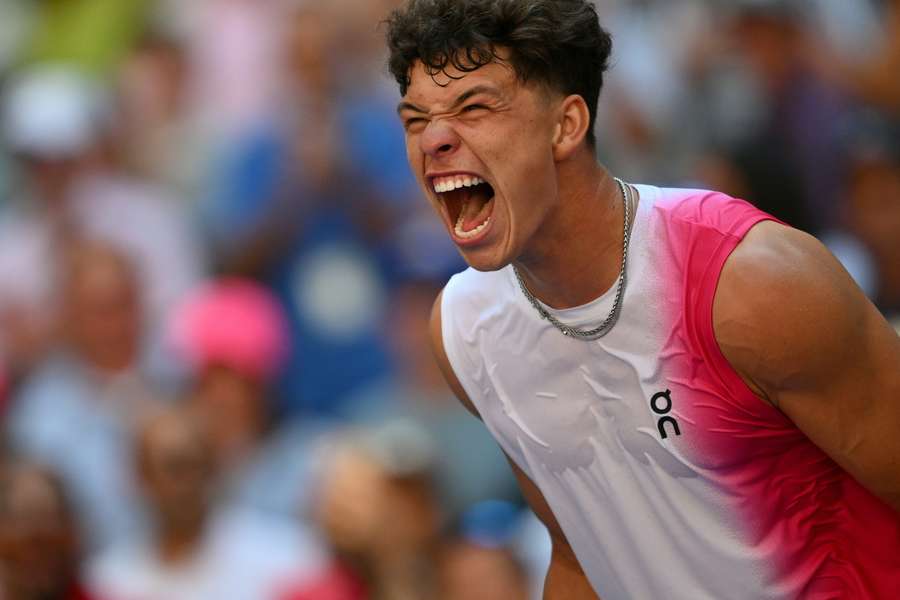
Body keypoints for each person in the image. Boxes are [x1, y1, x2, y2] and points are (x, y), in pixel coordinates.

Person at [384, 1, 900, 598]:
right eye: (416, 119)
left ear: (566, 125)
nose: (436, 140)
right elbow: (581, 558)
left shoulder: (753, 283)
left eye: (473, 108)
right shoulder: (462, 332)